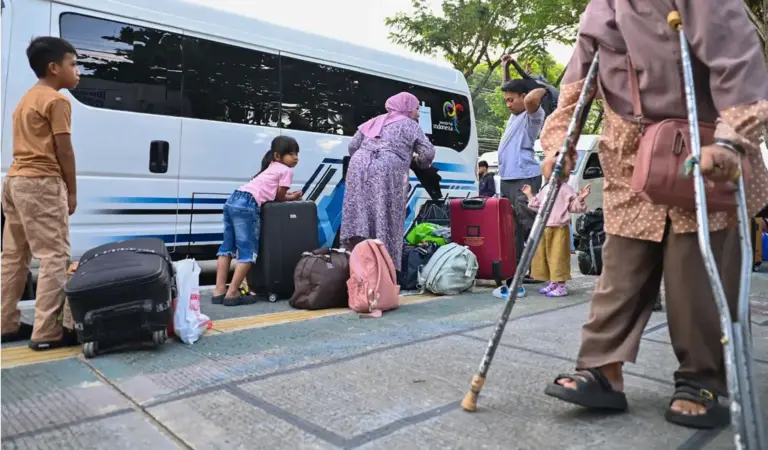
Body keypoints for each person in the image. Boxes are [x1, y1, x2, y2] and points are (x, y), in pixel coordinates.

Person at [540, 0, 768, 429]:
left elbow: (738, 64)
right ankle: (601, 370)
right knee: (621, 267)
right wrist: (558, 145)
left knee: (694, 272)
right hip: (630, 155)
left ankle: (703, 379)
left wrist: (731, 140)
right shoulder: (601, 8)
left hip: (702, 147)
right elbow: (576, 85)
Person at [1, 37, 80, 350]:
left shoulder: (26, 99)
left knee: (13, 257)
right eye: (73, 64)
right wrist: (72, 191)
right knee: (54, 257)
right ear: (53, 67)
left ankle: (5, 323)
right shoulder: (57, 101)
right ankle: (48, 331)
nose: (78, 71)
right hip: (41, 182)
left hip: (15, 180)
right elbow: (64, 149)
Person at [341, 92, 435, 265]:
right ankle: (384, 265)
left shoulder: (375, 120)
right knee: (385, 213)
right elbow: (427, 153)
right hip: (388, 168)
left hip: (358, 165)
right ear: (406, 107)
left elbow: (353, 146)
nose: (418, 113)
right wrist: (418, 163)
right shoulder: (410, 124)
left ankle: (357, 263)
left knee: (359, 213)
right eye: (415, 108)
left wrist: (364, 161)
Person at [212, 136, 303, 306]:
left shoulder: (271, 167)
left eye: (297, 154)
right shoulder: (286, 171)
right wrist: (294, 197)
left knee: (227, 248)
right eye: (291, 154)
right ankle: (232, 293)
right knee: (247, 251)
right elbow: (279, 197)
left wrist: (288, 196)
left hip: (233, 199)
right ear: (277, 156)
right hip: (248, 205)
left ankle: (219, 291)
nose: (296, 158)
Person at [493, 55, 549, 299]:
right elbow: (514, 91)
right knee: (513, 230)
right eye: (506, 100)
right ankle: (519, 272)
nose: (507, 104)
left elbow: (532, 97)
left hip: (524, 178)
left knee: (528, 225)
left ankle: (541, 270)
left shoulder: (531, 115)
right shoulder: (514, 116)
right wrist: (507, 69)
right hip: (508, 179)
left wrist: (539, 86)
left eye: (511, 100)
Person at [523, 182, 590, 297]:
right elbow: (538, 206)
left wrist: (580, 198)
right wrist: (529, 195)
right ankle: (553, 282)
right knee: (546, 256)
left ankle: (561, 286)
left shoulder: (565, 189)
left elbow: (574, 207)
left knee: (559, 256)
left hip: (560, 228)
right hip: (545, 227)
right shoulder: (546, 188)